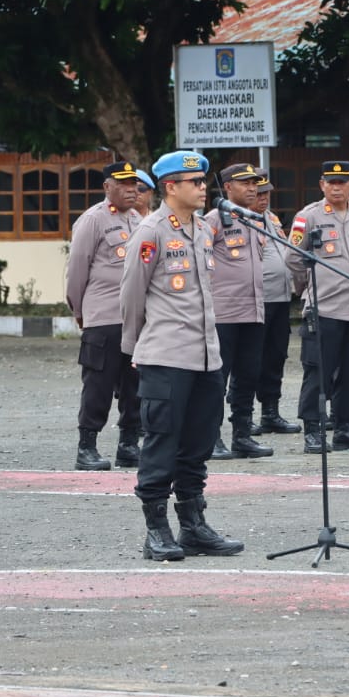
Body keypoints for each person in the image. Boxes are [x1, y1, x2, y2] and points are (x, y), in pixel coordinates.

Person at [120, 150, 242, 562]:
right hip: (166, 355)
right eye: (194, 182)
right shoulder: (150, 231)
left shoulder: (204, 230)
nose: (203, 188)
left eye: (203, 181)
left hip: (206, 357)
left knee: (198, 443)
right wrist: (136, 349)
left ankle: (193, 525)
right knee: (161, 441)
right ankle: (156, 529)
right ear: (171, 187)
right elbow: (131, 296)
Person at [285, 160, 349, 454]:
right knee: (318, 371)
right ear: (323, 185)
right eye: (331, 182)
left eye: (343, 182)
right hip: (325, 306)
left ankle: (345, 428)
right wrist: (309, 289)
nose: (336, 187)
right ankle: (313, 430)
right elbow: (293, 258)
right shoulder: (309, 216)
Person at [64, 160, 144, 471]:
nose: (130, 190)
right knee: (98, 384)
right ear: (106, 187)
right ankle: (87, 446)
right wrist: (81, 312)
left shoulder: (139, 220)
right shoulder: (92, 220)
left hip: (135, 318)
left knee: (135, 384)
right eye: (122, 184)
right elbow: (76, 274)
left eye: (133, 184)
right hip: (103, 316)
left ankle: (128, 444)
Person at [203, 163, 273, 460]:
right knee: (218, 379)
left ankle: (242, 435)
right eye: (245, 183)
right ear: (228, 187)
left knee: (248, 377)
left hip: (253, 312)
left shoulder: (257, 220)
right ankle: (212, 437)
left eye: (254, 183)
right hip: (224, 314)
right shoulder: (212, 220)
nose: (252, 188)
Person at [249, 171, 301, 436]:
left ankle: (271, 411)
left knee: (276, 356)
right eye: (258, 193)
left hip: (280, 299)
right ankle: (244, 417)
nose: (263, 198)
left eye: (266, 193)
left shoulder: (271, 218)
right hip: (255, 300)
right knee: (250, 360)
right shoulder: (239, 219)